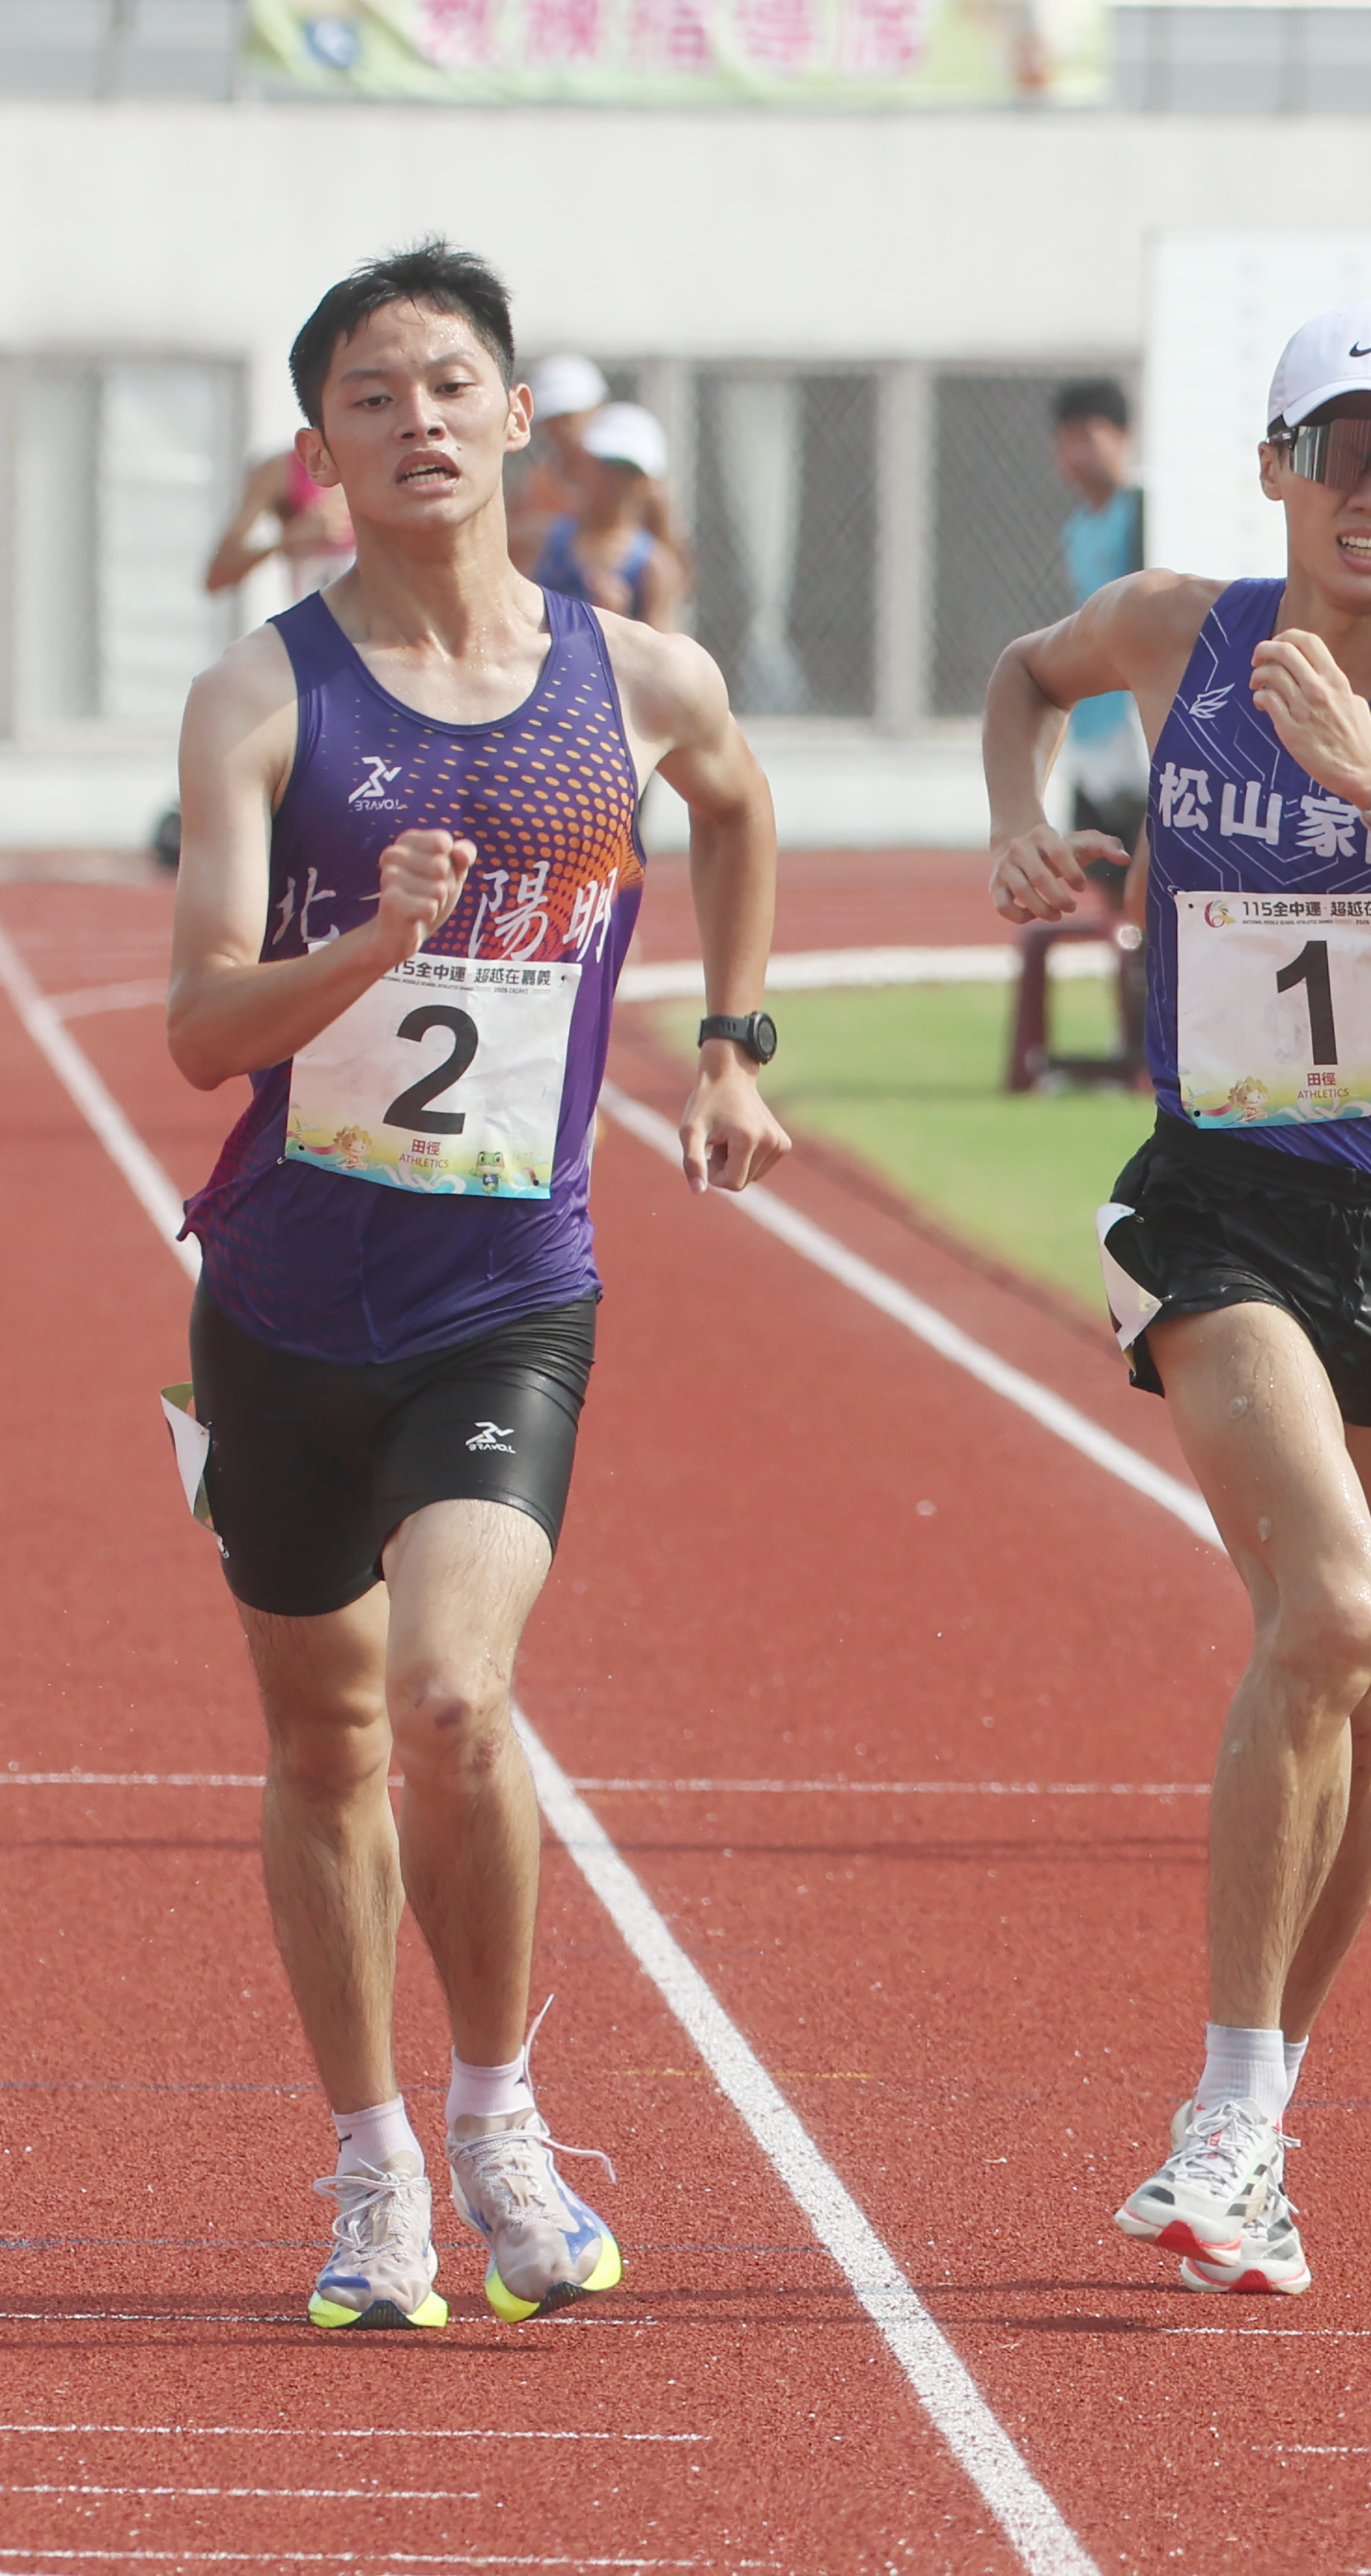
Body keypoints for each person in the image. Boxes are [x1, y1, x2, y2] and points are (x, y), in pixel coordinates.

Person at [168, 240, 788, 2332]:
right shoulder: (268, 692)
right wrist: (364, 946)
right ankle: (365, 2174)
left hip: (506, 1282)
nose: (416, 418)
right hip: (275, 1284)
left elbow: (735, 798)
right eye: (370, 392)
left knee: (447, 1687)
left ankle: (497, 2114)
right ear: (322, 445)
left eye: (448, 382)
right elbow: (194, 1028)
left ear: (514, 418)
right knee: (324, 1734)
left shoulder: (635, 680)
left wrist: (730, 1035)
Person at [984, 300, 1371, 2297]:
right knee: (1330, 1614)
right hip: (1221, 1199)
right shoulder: (1180, 631)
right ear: (1271, 472)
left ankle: (1267, 2123)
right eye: (1337, 451)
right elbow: (1023, 673)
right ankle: (1223, 2115)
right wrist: (1020, 819)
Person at [1051, 380, 1149, 914]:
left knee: (1151, 872)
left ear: (1123, 438)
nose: (1076, 454)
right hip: (1094, 722)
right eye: (1066, 440)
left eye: (1090, 437)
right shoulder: (1077, 529)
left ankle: (1151, 993)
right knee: (1106, 874)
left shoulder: (1142, 513)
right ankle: (1124, 994)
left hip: (1139, 721)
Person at [527, 402, 683, 630]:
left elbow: (663, 659)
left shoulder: (655, 569)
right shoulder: (540, 541)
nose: (612, 479)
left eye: (627, 470)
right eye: (604, 464)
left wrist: (616, 623)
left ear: (645, 482)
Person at [505, 351, 609, 581]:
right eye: (553, 420)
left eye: (569, 417)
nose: (561, 429)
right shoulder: (533, 484)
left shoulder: (623, 480)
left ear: (597, 410)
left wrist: (557, 534)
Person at [206, 448, 356, 600]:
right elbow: (217, 576)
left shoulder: (373, 465)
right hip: (315, 614)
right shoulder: (281, 470)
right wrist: (290, 539)